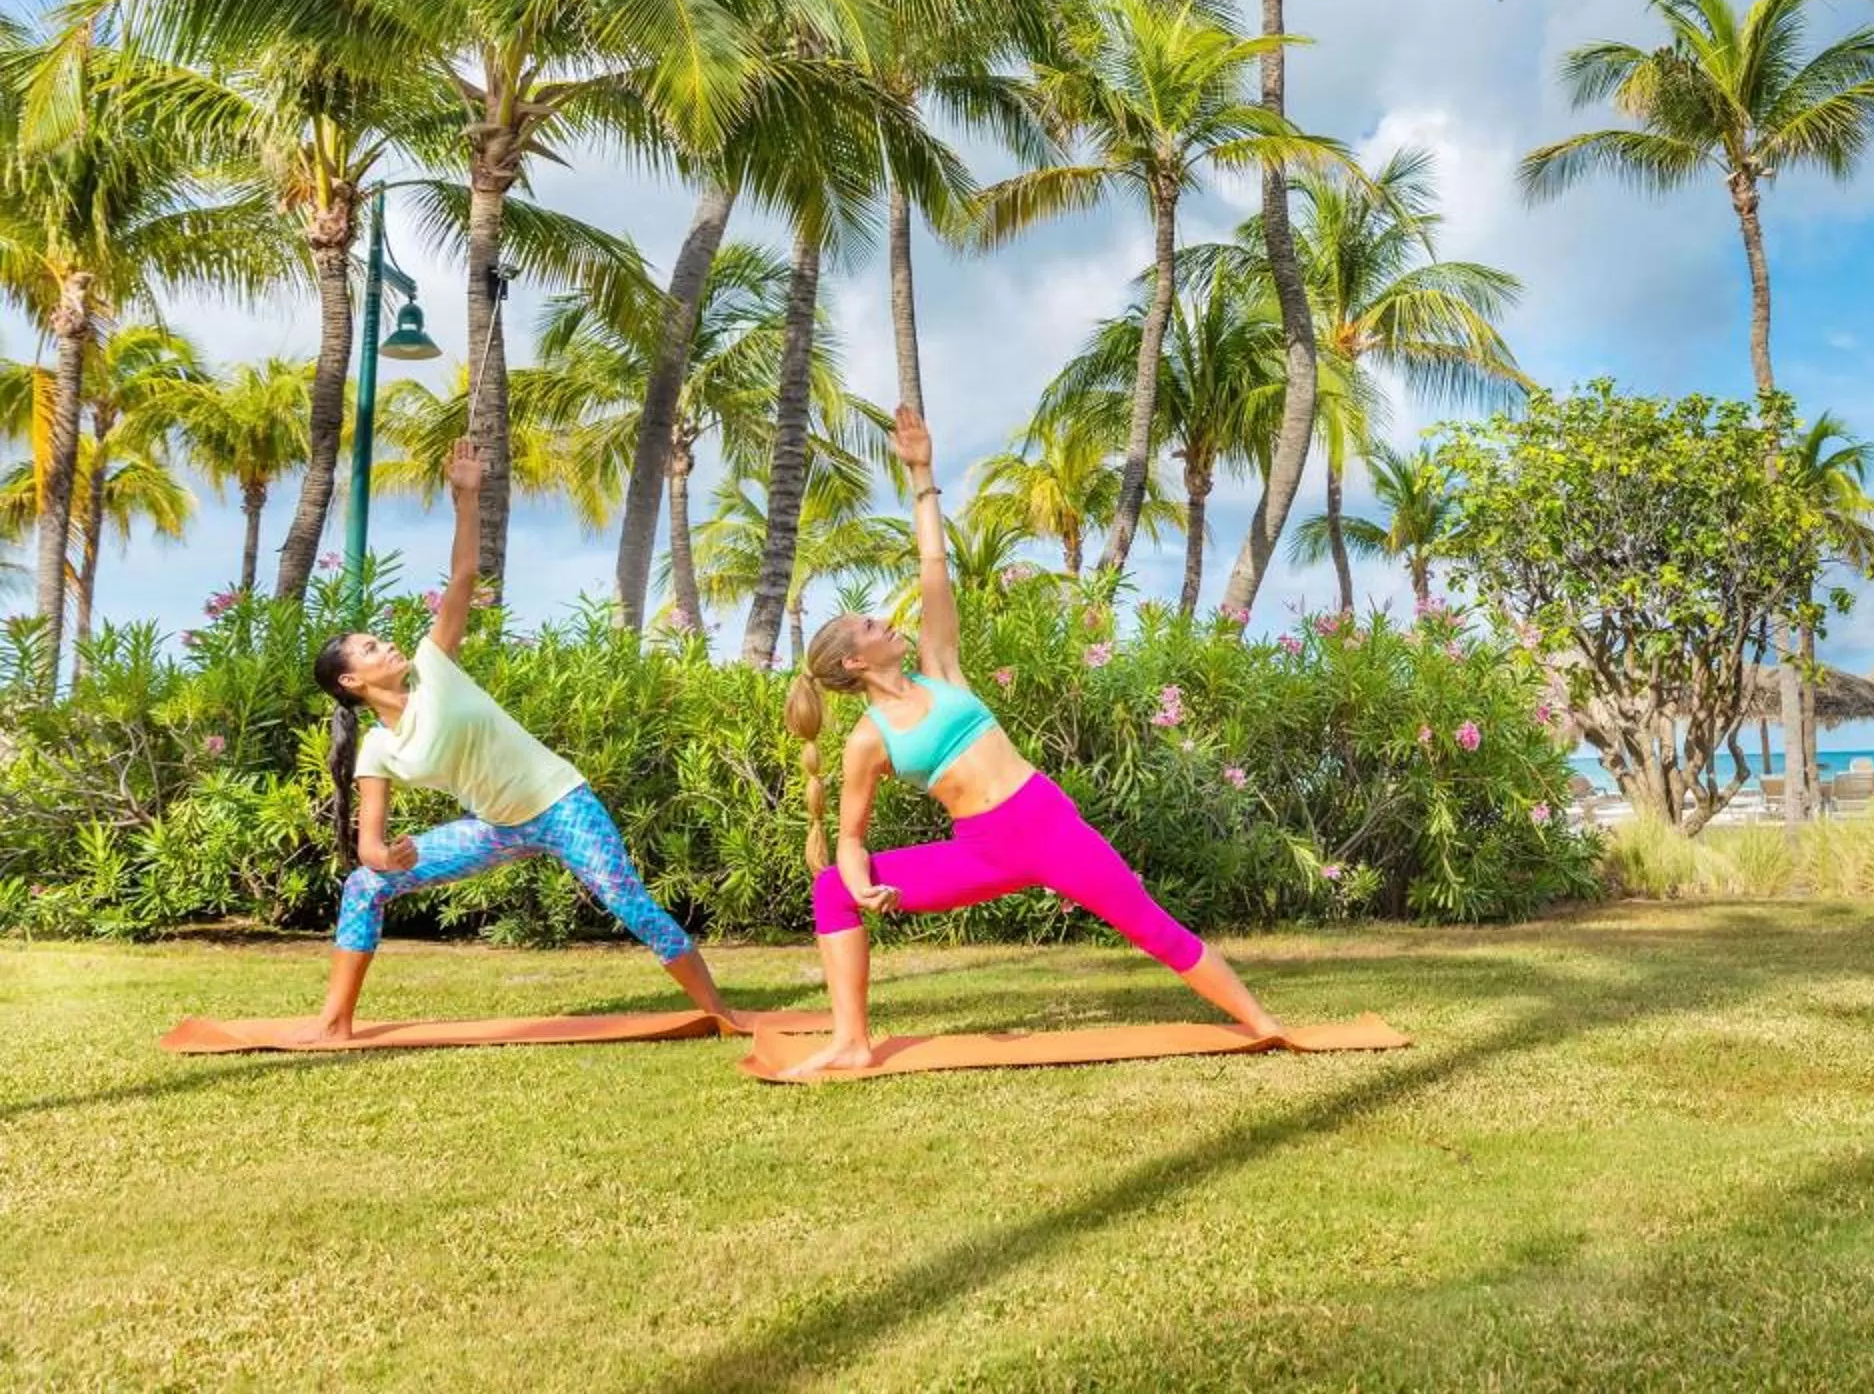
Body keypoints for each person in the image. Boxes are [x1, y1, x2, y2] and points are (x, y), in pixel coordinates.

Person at [783, 407, 1280, 1077]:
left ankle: (1263, 1024)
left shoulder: (940, 669)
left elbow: (933, 564)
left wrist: (922, 473)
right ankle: (851, 1040)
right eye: (872, 625)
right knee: (830, 891)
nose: (887, 622)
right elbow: (850, 837)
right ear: (853, 662)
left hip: (1046, 824)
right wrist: (859, 885)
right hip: (982, 851)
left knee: (1150, 926)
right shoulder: (868, 741)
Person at [301, 441, 737, 1042]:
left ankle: (721, 1013)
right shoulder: (377, 748)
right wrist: (388, 860)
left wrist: (468, 496)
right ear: (352, 682)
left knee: (627, 901)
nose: (387, 644)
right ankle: (334, 1023)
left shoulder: (434, 667)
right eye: (370, 648)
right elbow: (370, 848)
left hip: (561, 804)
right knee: (363, 885)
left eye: (380, 639)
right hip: (495, 828)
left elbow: (463, 577)